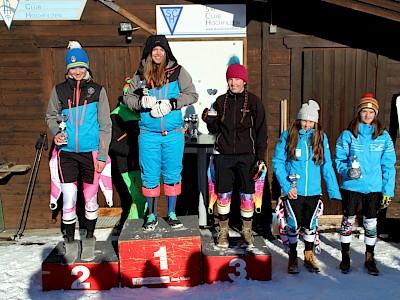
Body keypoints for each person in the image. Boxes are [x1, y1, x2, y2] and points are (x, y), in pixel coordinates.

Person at [46, 41, 112, 265]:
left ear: (87, 67)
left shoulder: (98, 91)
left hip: (91, 153)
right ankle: (71, 243)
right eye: (73, 67)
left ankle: (90, 240)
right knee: (69, 200)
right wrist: (56, 132)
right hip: (66, 154)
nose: (77, 71)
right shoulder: (59, 90)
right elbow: (50, 116)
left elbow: (105, 125)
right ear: (67, 69)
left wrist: (102, 155)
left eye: (81, 66)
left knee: (91, 200)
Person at [123, 35, 198, 231]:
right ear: (148, 53)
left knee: (173, 174)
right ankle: (151, 215)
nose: (157, 53)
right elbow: (127, 98)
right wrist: (141, 103)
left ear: (166, 52)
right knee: (150, 175)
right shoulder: (140, 74)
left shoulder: (178, 71)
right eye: (154, 50)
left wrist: (172, 103)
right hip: (149, 134)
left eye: (161, 50)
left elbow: (192, 94)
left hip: (173, 133)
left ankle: (172, 213)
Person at [202, 56, 268, 248]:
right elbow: (214, 130)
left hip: (247, 156)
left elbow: (262, 132)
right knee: (223, 195)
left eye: (237, 79)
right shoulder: (220, 101)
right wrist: (209, 119)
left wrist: (261, 158)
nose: (234, 83)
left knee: (247, 195)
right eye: (230, 79)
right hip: (223, 156)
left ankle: (247, 231)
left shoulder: (254, 102)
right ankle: (223, 232)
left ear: (244, 81)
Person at [272, 99, 341, 274]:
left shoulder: (320, 137)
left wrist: (333, 190)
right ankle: (293, 256)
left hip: (313, 190)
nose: (307, 124)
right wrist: (287, 187)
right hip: (294, 190)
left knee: (311, 225)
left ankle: (309, 255)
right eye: (304, 120)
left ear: (315, 122)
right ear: (298, 119)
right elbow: (278, 162)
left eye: (311, 121)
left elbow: (326, 165)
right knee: (293, 224)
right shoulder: (288, 135)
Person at [334, 93, 396, 275]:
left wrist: (387, 190)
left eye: (371, 111)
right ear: (359, 112)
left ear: (375, 113)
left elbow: (389, 165)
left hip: (374, 188)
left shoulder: (383, 136)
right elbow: (338, 159)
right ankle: (345, 257)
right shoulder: (348, 135)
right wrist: (347, 171)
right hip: (351, 186)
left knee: (370, 223)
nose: (367, 115)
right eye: (364, 111)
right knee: (348, 221)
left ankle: (370, 258)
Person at [109, 78, 147, 234]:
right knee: (138, 199)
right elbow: (112, 143)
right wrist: (133, 148)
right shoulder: (117, 115)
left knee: (142, 198)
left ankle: (135, 229)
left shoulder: (140, 112)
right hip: (127, 165)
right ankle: (130, 231)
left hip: (141, 163)